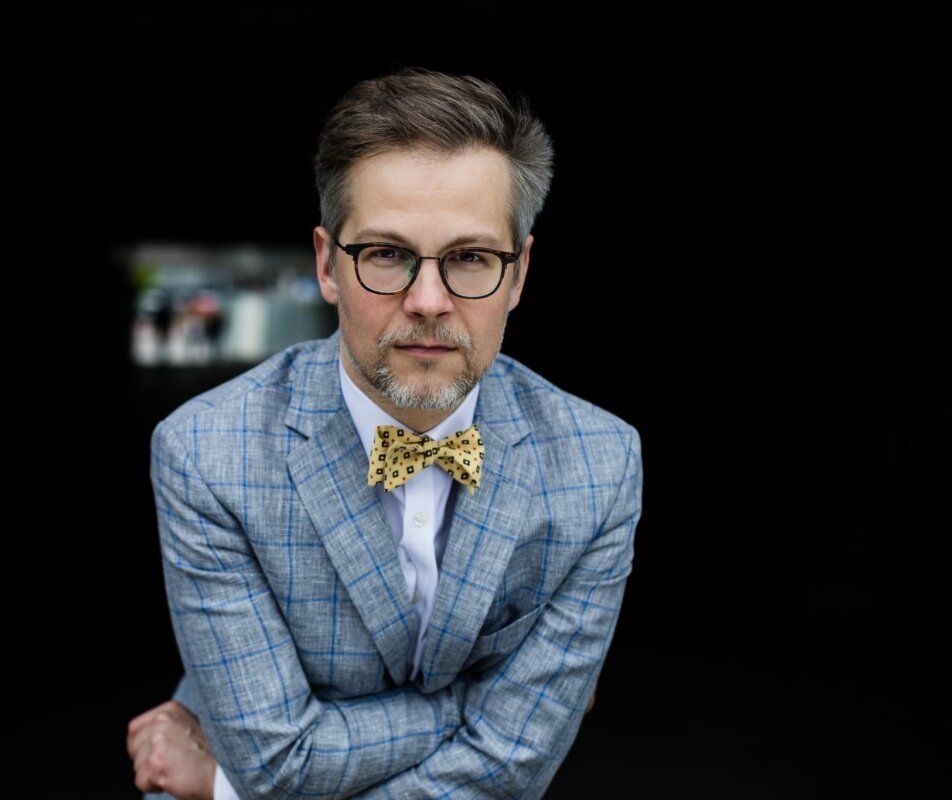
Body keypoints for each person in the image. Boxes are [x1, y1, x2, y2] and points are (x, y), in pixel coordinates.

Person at [126, 67, 643, 799]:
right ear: (326, 264)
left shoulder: (602, 464)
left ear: (519, 274)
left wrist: (220, 786)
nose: (428, 301)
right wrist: (487, 709)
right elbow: (277, 765)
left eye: (470, 257)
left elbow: (510, 771)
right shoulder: (206, 454)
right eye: (388, 254)